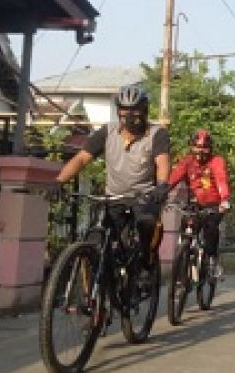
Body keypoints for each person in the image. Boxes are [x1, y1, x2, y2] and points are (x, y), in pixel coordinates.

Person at [55, 83, 171, 274]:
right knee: (100, 240)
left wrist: (162, 184)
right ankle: (105, 288)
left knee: (147, 223)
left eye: (135, 111)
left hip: (144, 198)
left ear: (144, 111)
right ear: (118, 112)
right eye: (125, 111)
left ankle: (145, 263)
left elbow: (162, 162)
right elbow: (82, 158)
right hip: (113, 197)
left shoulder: (157, 134)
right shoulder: (107, 132)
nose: (130, 116)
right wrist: (59, 181)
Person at [168, 129, 230, 279]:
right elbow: (173, 178)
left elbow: (221, 179)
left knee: (211, 230)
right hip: (194, 204)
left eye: (204, 148)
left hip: (214, 205)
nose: (200, 151)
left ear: (210, 148)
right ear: (191, 146)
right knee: (186, 226)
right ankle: (184, 262)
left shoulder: (216, 161)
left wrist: (224, 199)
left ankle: (212, 261)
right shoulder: (187, 161)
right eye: (197, 147)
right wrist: (161, 193)